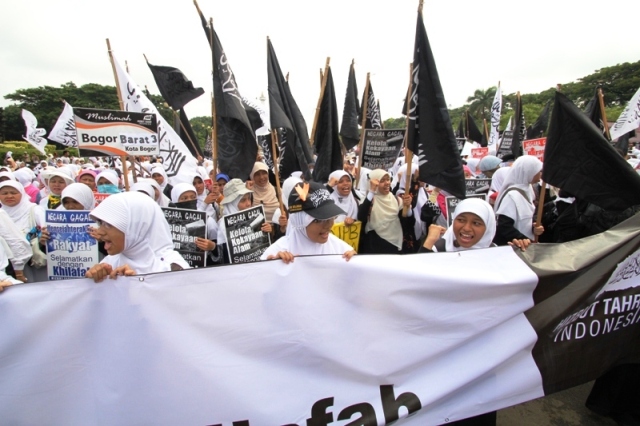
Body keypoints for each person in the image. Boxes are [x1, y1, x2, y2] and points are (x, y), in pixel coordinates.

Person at [85, 192, 189, 282]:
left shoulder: (174, 268)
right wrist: (95, 279)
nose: (100, 231)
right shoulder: (109, 264)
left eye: (108, 225)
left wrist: (136, 284)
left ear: (135, 227)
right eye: (101, 223)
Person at [261, 181, 356, 263]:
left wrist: (355, 261)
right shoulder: (279, 251)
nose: (329, 225)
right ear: (300, 221)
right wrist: (272, 268)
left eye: (332, 217)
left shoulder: (340, 250)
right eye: (319, 220)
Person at [420, 198, 531, 252]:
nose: (466, 228)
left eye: (476, 223)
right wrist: (429, 242)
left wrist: (519, 252)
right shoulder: (438, 249)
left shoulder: (494, 252)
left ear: (488, 227)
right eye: (461, 220)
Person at [357, 169, 414, 254]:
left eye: (388, 179)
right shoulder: (369, 200)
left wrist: (408, 207)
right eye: (382, 180)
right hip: (373, 247)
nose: (387, 183)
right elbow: (361, 216)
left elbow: (409, 223)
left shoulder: (397, 200)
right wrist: (371, 191)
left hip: (393, 246)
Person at [0, 180, 47, 283]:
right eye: (4, 193)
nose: (9, 196)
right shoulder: (2, 213)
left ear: (22, 193)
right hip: (9, 264)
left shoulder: (34, 210)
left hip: (34, 261)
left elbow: (46, 229)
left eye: (13, 193)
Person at [217, 179, 272, 264]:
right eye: (243, 200)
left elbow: (262, 246)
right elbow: (223, 256)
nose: (248, 203)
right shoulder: (223, 224)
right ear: (232, 203)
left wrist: (267, 231)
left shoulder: (256, 217)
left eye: (249, 199)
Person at [493, 156, 544, 246]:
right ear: (529, 172)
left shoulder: (529, 189)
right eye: (539, 171)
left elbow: (527, 218)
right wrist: (526, 240)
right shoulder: (512, 195)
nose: (541, 174)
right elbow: (504, 226)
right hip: (516, 247)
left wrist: (534, 227)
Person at [170, 183, 220, 265]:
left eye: (193, 197)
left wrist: (212, 246)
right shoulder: (169, 224)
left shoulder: (207, 221)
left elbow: (220, 250)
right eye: (184, 198)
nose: (189, 200)